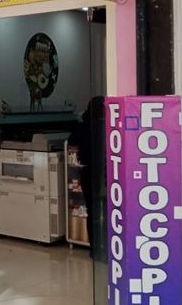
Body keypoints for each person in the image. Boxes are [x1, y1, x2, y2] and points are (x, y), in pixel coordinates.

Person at [68, 96, 104, 252]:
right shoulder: (108, 126)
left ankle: (94, 248)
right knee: (107, 210)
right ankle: (106, 246)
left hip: (88, 172)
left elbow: (71, 141)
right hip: (105, 172)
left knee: (92, 211)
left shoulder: (83, 126)